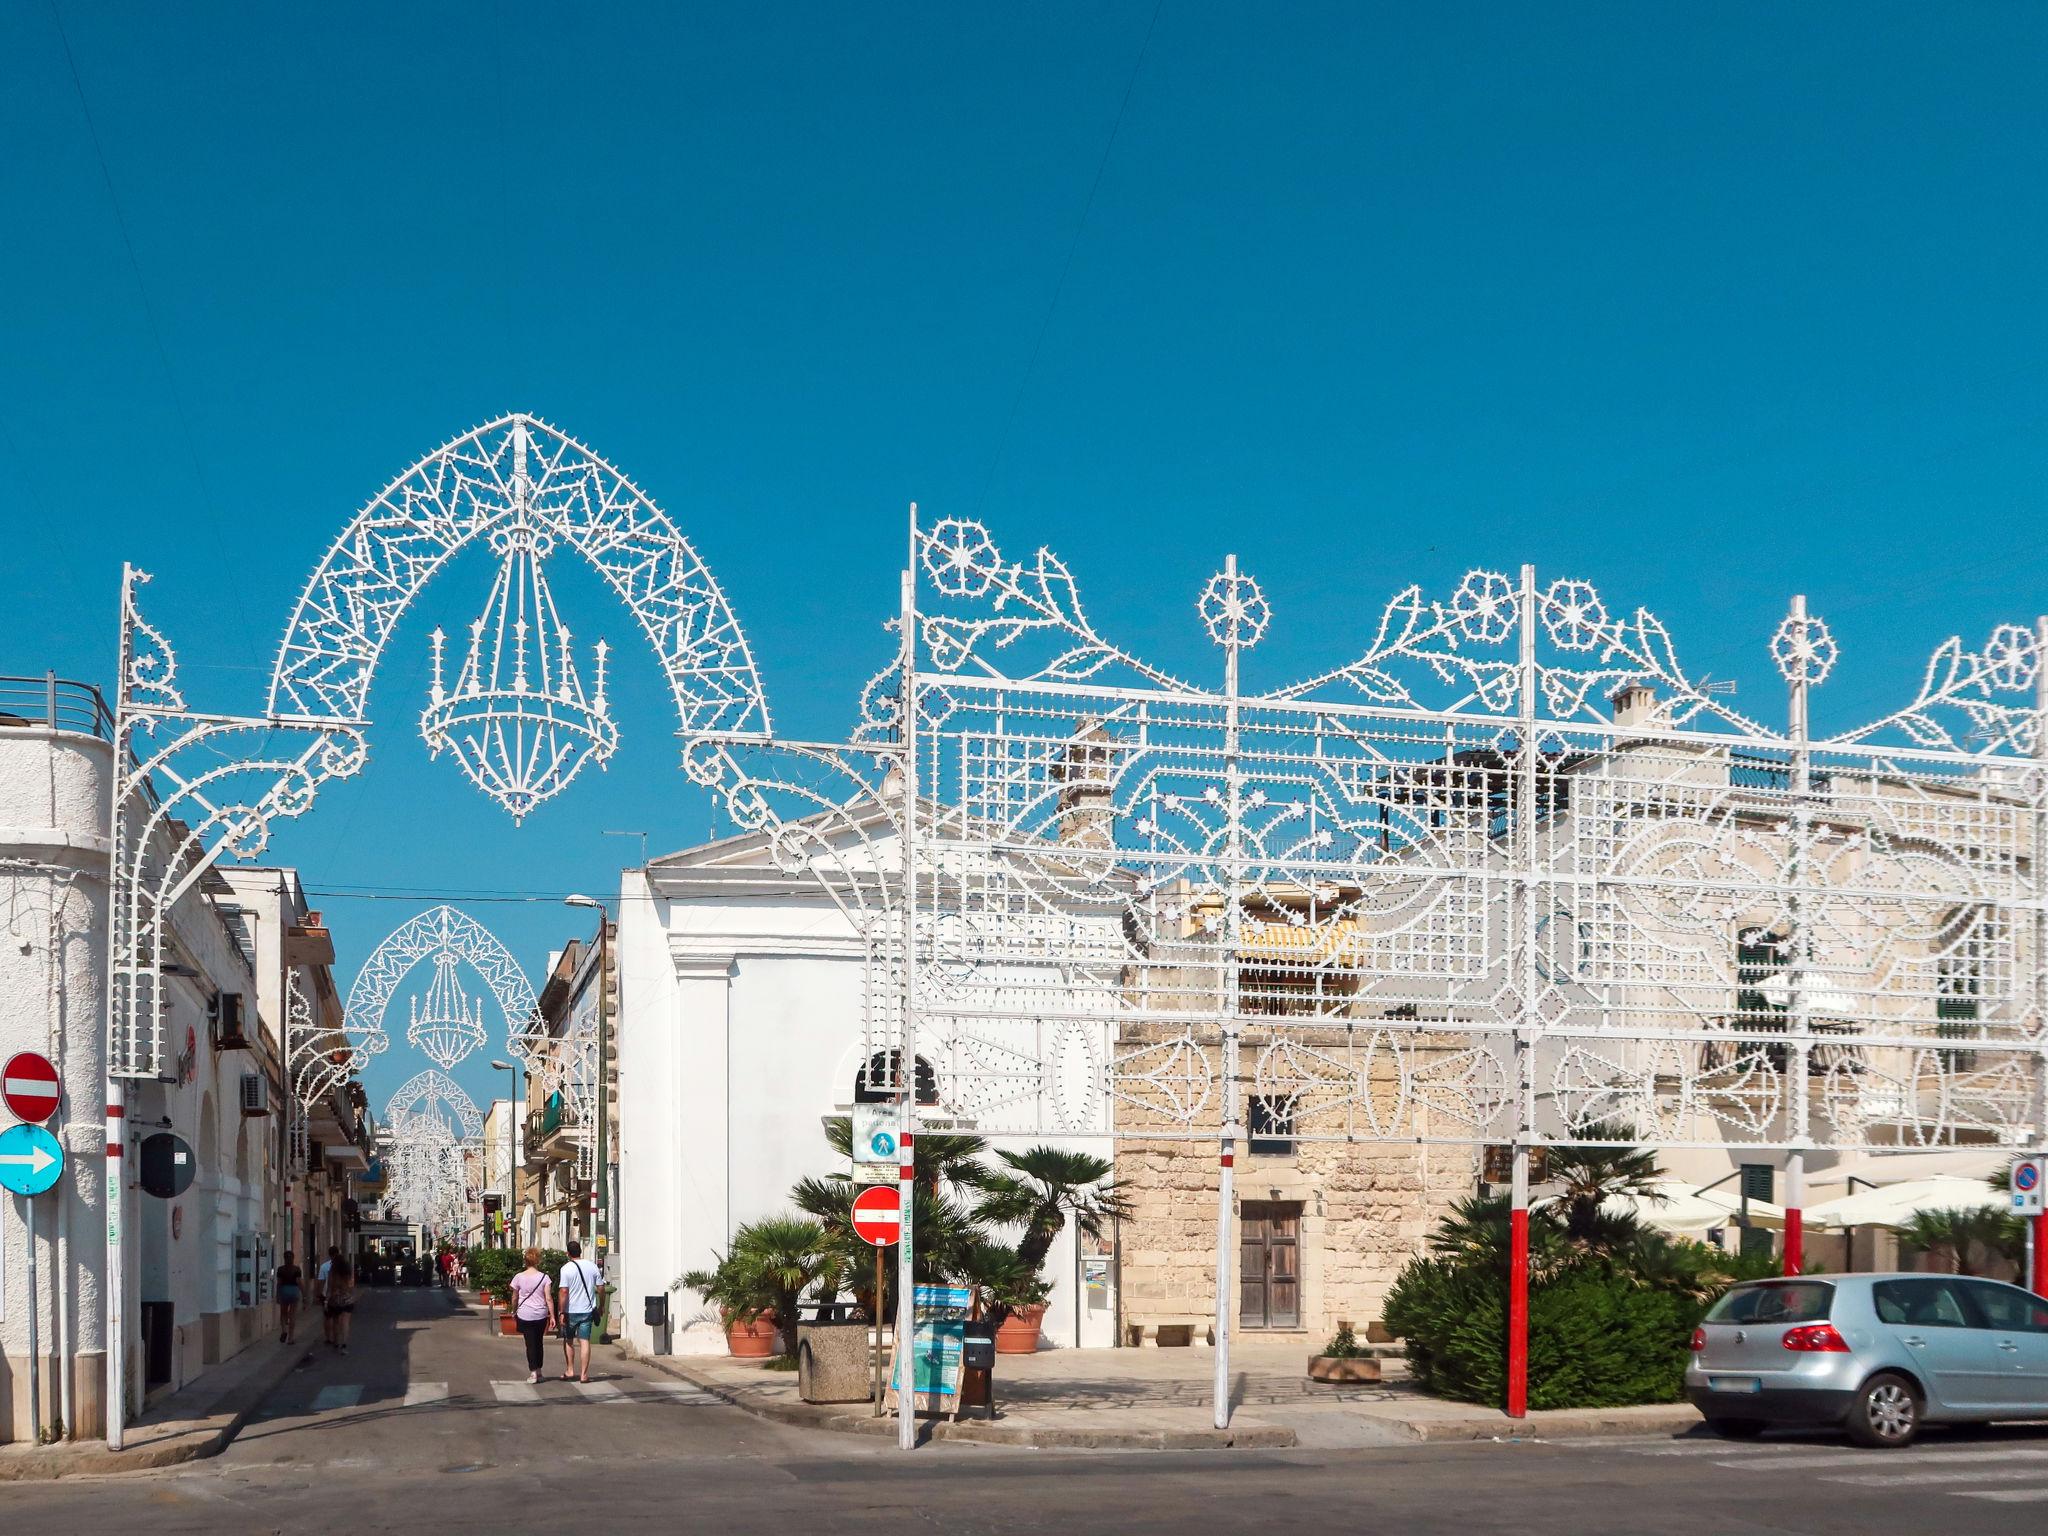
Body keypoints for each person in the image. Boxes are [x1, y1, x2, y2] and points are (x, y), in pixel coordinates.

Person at [556, 1239, 606, 1384]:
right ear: (580, 1252)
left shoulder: (566, 1269)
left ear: (568, 1253)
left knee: (569, 1340)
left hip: (570, 1311)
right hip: (587, 1310)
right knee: (584, 1341)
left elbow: (564, 1291)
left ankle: (570, 1370)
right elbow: (601, 1288)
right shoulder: (592, 1266)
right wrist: (601, 1305)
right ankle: (584, 1374)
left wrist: (561, 1311)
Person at [509, 1246, 556, 1385]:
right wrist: (552, 1315)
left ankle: (533, 1372)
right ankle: (539, 1371)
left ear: (526, 1261)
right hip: (541, 1314)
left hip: (525, 1314)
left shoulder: (519, 1277)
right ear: (538, 1261)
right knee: (539, 1342)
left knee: (530, 1344)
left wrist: (514, 1310)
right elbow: (548, 1298)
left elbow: (514, 1297)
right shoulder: (544, 1277)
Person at [323, 1258, 357, 1354]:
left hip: (335, 1300)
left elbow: (329, 1288)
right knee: (345, 1322)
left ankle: (336, 1342)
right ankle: (344, 1344)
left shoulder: (332, 1273)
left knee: (336, 1321)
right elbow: (351, 1287)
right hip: (347, 1300)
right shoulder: (348, 1273)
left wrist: (326, 1301)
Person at [316, 1245, 342, 1348]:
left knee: (327, 1317)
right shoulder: (343, 1266)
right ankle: (337, 1339)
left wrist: (318, 1294)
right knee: (337, 1318)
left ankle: (328, 1338)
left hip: (327, 1295)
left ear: (329, 1254)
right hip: (339, 1295)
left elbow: (321, 1282)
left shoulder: (324, 1266)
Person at [276, 1251, 303, 1345]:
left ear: (284, 1259)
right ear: (293, 1258)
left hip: (284, 1291)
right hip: (294, 1291)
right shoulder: (297, 1269)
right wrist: (304, 1294)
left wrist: (277, 1295)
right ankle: (291, 1338)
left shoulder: (280, 1269)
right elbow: (299, 1282)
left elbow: (279, 1283)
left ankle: (284, 1331)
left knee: (283, 1314)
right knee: (292, 1315)